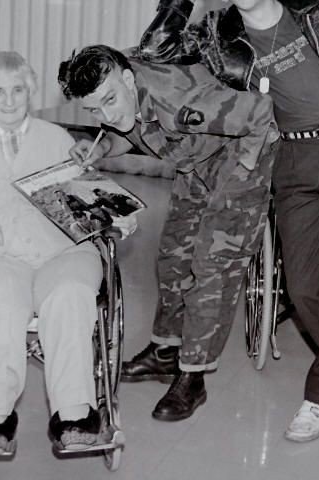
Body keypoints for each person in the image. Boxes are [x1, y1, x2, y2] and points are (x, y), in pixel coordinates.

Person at [138, 0, 319, 442]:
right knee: (305, 288)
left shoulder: (314, 7)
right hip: (292, 161)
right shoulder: (218, 34)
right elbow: (152, 55)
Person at [0, 51, 135, 454]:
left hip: (62, 250)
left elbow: (86, 195)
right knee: (2, 303)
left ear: (30, 92)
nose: (9, 100)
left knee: (71, 295)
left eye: (17, 90)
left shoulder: (56, 137)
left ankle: (75, 416)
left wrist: (116, 216)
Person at [58, 44, 278, 422]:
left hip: (239, 161)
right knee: (174, 255)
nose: (106, 115)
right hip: (196, 160)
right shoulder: (124, 90)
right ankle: (165, 351)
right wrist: (102, 148)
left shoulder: (181, 103)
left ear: (128, 80)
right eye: (94, 110)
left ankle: (193, 374)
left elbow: (260, 111)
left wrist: (242, 172)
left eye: (110, 100)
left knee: (212, 267)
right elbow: (129, 129)